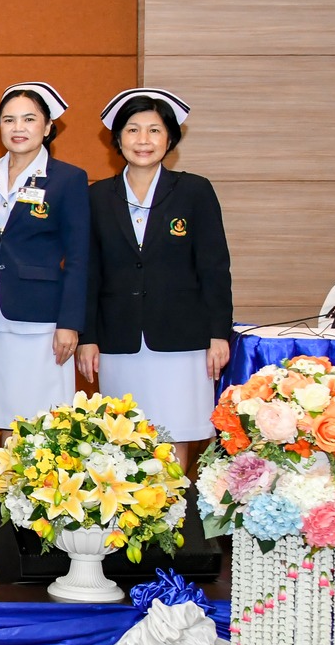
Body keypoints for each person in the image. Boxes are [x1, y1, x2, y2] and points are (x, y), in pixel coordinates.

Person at [0, 81, 91, 550]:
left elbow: (79, 257)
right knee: (3, 421)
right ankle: (4, 518)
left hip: (41, 317)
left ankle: (45, 520)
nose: (18, 128)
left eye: (29, 119)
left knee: (45, 423)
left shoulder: (68, 179)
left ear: (48, 127)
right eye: (9, 119)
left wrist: (70, 321)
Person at [80, 88, 233, 460]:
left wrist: (218, 333)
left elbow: (214, 266)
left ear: (170, 139)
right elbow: (89, 272)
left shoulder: (194, 190)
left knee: (176, 430)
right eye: (132, 130)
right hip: (119, 338)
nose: (143, 140)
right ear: (118, 139)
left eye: (154, 130)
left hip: (183, 337)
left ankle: (173, 516)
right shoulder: (98, 196)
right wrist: (88, 337)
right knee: (122, 435)